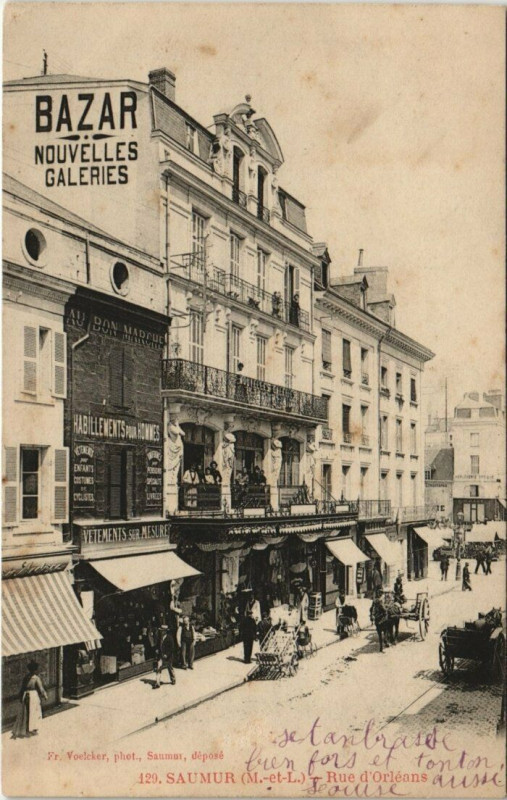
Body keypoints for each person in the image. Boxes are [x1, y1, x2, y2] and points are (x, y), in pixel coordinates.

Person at [12, 661, 48, 738]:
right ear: (35, 670)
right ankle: (32, 728)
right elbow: (41, 688)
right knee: (33, 712)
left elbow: (22, 688)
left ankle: (26, 728)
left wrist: (21, 696)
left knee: (26, 712)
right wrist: (45, 695)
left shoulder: (26, 677)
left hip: (26, 695)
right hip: (33, 696)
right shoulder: (36, 678)